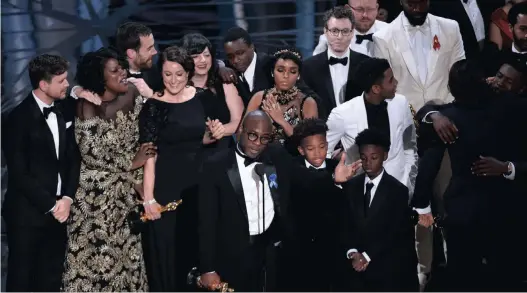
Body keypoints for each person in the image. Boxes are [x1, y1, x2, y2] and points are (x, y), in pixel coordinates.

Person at [411, 59, 526, 291]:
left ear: (452, 88)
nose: (500, 82)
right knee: (504, 279)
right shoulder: (511, 108)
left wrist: (421, 204)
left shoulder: (447, 119)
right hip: (502, 209)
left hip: (465, 210)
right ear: (484, 80)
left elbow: (429, 165)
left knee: (463, 279)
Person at [61, 47, 152, 291]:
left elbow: (147, 132)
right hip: (95, 203)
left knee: (129, 263)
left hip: (126, 198)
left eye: (122, 67)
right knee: (97, 269)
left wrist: (139, 179)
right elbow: (93, 156)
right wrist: (133, 163)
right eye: (115, 71)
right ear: (100, 79)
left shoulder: (133, 93)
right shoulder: (86, 106)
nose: (123, 73)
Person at [139, 45, 225, 291]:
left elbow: (205, 139)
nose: (173, 80)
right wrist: (148, 199)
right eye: (168, 74)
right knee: (170, 259)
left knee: (200, 250)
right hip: (167, 190)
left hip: (200, 186)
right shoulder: (153, 106)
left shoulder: (204, 98)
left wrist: (213, 135)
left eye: (179, 74)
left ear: (188, 73)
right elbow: (149, 155)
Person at [2, 54, 80, 292]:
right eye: (61, 81)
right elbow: (19, 173)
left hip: (59, 212)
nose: (67, 84)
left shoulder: (64, 110)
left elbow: (72, 158)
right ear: (43, 85)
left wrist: (66, 198)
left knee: (52, 279)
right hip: (27, 214)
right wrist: (51, 205)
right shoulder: (16, 119)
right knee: (23, 279)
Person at [334, 128, 418, 291]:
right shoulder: (351, 186)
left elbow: (393, 232)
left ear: (384, 156)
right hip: (354, 270)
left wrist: (366, 256)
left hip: (384, 270)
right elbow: (344, 224)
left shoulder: (397, 190)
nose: (368, 163)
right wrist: (353, 253)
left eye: (374, 158)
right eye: (364, 158)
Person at [326, 58, 418, 193]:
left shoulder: (401, 102)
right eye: (391, 80)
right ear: (376, 88)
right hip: (359, 193)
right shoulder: (342, 114)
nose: (396, 83)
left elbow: (409, 145)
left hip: (399, 189)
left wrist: (409, 181)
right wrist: (336, 179)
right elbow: (324, 151)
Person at [286, 118, 345, 291]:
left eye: (322, 147)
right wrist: (334, 180)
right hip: (301, 249)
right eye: (310, 149)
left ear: (327, 145)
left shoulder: (338, 167)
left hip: (333, 247)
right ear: (301, 150)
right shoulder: (293, 168)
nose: (318, 153)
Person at [181, 33, 244, 159]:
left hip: (225, 153)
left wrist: (219, 130)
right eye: (196, 56)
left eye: (206, 55)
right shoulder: (179, 89)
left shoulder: (225, 84)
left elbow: (239, 120)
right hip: (191, 155)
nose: (203, 60)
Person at [303, 6, 370, 120]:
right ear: (325, 31)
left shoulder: (367, 64)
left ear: (352, 32)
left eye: (344, 31)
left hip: (359, 133)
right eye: (334, 31)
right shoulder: (308, 67)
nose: (339, 37)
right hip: (323, 133)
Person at [246, 48, 318, 149]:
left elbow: (310, 144)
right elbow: (242, 132)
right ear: (272, 72)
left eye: (292, 71)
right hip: (260, 157)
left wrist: (281, 120)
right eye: (280, 70)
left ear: (298, 75)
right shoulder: (259, 98)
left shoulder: (308, 103)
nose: (285, 76)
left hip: (293, 160)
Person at [313, 0, 389, 57]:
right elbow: (314, 70)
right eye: (359, 9)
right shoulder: (330, 38)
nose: (365, 15)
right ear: (348, 9)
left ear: (376, 8)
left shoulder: (390, 32)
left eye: (370, 9)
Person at [223, 27, 274, 106]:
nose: (235, 60)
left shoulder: (271, 64)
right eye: (230, 56)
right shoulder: (226, 68)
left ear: (252, 47)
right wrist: (220, 66)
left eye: (240, 53)